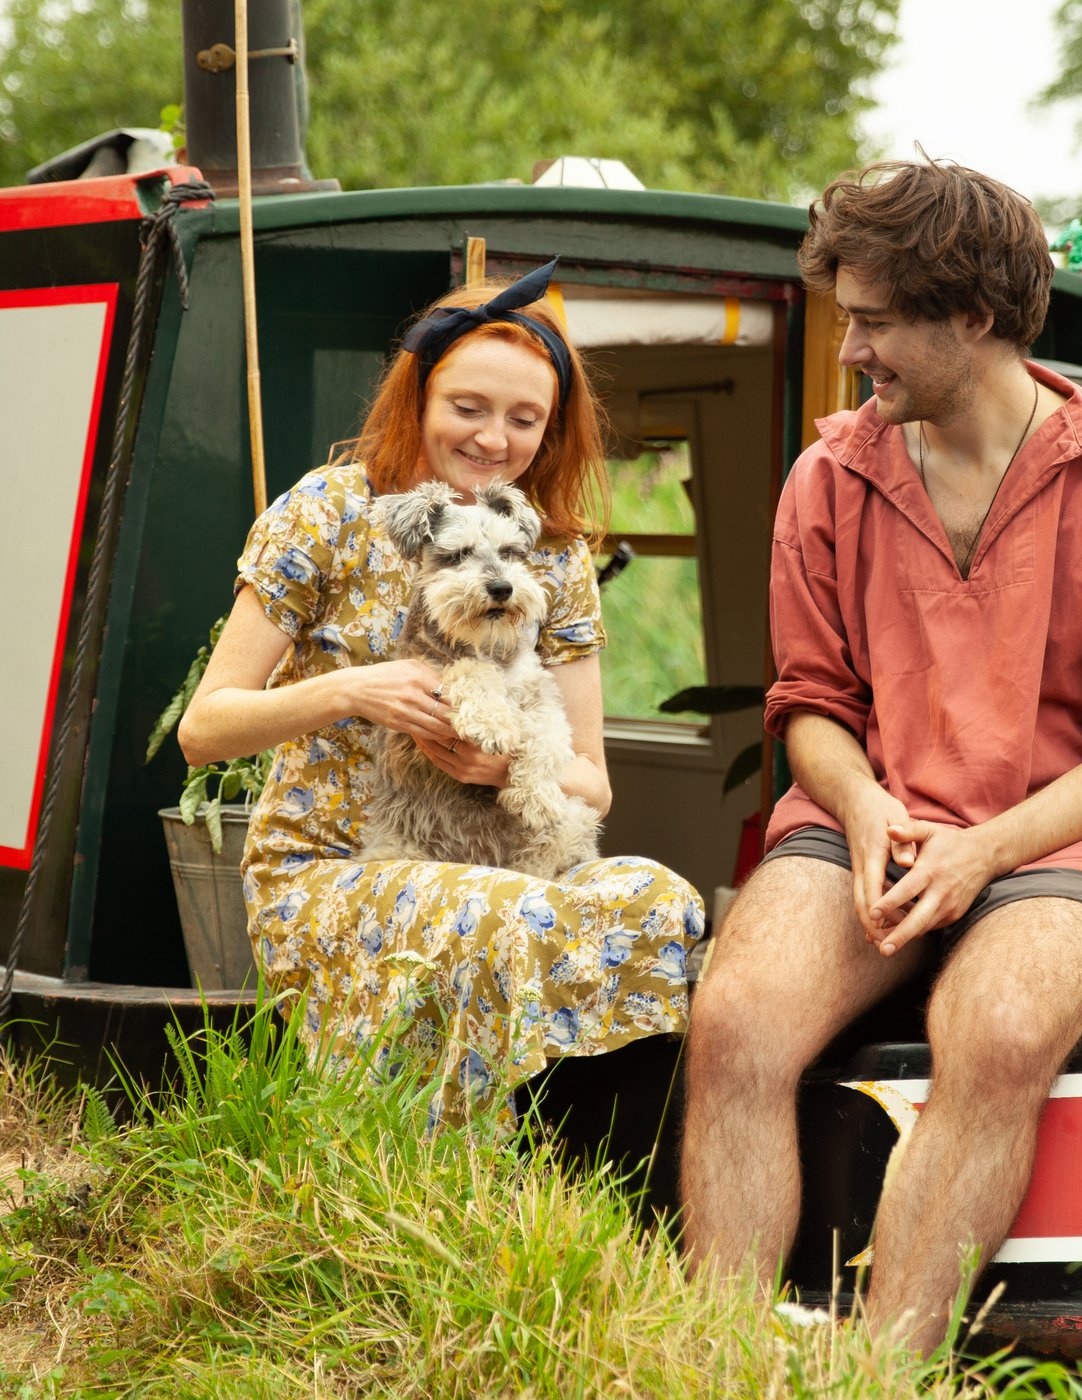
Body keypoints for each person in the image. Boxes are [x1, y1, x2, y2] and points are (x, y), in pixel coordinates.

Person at [679, 158, 1082, 1348]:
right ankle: (706, 1359)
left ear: (970, 315)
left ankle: (882, 1372)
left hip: (1065, 834)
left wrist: (985, 851)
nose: (851, 352)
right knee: (732, 1021)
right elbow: (810, 699)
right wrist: (864, 803)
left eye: (873, 322)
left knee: (997, 1034)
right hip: (869, 820)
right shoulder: (828, 477)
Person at [179, 260, 703, 1129]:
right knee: (502, 917)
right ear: (420, 398)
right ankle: (443, 1184)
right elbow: (204, 730)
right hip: (336, 867)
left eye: (524, 418)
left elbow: (592, 782)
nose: (494, 437)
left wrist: (499, 768)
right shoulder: (329, 511)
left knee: (661, 903)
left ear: (552, 428)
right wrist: (355, 689)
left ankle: (601, 1177)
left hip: (508, 855)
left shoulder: (555, 555)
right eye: (469, 408)